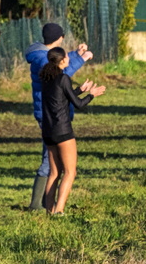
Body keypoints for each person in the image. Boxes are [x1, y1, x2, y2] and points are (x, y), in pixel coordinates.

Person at [26, 23, 87, 211]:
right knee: (60, 167)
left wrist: (76, 54)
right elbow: (62, 76)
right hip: (54, 119)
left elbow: (59, 66)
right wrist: (81, 59)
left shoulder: (43, 55)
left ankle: (47, 207)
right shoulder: (43, 60)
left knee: (53, 166)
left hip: (51, 116)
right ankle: (42, 205)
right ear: (59, 38)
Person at [38, 47, 106, 215]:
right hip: (63, 131)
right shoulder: (63, 78)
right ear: (62, 60)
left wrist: (80, 90)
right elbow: (79, 104)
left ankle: (49, 212)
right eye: (67, 56)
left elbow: (61, 98)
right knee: (70, 172)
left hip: (48, 132)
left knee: (54, 173)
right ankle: (59, 211)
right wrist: (91, 95)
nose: (69, 58)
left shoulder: (46, 78)